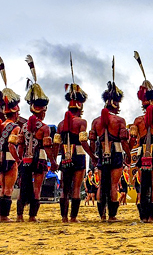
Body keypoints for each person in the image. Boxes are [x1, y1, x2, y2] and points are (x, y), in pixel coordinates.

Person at [16, 55, 59, 222]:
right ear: (42, 111)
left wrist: (21, 159)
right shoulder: (44, 128)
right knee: (36, 187)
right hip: (39, 158)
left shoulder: (24, 126)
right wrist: (53, 161)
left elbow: (20, 145)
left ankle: (20, 215)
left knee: (23, 186)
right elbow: (47, 147)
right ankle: (32, 216)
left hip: (26, 160)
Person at [89, 58, 131, 222]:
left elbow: (92, 142)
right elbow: (124, 141)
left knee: (102, 184)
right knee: (113, 185)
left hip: (101, 153)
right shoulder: (119, 121)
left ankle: (102, 215)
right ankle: (112, 215)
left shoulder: (95, 121)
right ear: (115, 104)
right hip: (116, 152)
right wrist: (128, 155)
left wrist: (93, 156)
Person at [129, 51, 153, 223]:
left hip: (140, 152)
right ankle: (151, 217)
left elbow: (132, 141)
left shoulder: (137, 121)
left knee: (141, 185)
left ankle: (143, 215)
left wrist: (130, 156)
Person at [55, 71, 95, 223]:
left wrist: (53, 160)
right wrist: (93, 156)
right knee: (76, 188)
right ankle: (73, 217)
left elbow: (56, 144)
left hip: (65, 156)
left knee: (65, 187)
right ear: (80, 105)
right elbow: (83, 142)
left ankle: (64, 217)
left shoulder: (60, 124)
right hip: (78, 155)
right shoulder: (81, 122)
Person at [0, 56, 22, 222]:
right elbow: (11, 145)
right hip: (10, 159)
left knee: (2, 187)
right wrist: (18, 159)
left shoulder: (0, 125)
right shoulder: (15, 127)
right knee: (8, 188)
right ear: (16, 112)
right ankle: (4, 216)